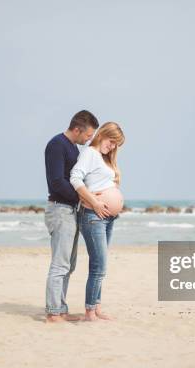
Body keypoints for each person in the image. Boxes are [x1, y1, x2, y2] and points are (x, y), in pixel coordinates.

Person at [44, 110, 99, 323]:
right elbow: (57, 181)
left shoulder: (73, 148)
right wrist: (82, 198)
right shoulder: (56, 145)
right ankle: (53, 313)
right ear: (77, 129)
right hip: (60, 209)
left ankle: (61, 308)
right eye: (88, 135)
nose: (88, 140)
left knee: (69, 264)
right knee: (60, 264)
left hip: (71, 210)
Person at [70, 122, 126, 321]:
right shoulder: (90, 153)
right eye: (112, 142)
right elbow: (75, 178)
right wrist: (94, 201)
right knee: (99, 265)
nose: (112, 147)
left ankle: (96, 307)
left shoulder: (103, 158)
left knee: (101, 264)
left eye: (115, 145)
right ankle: (89, 312)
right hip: (93, 216)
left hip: (108, 217)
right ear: (102, 134)